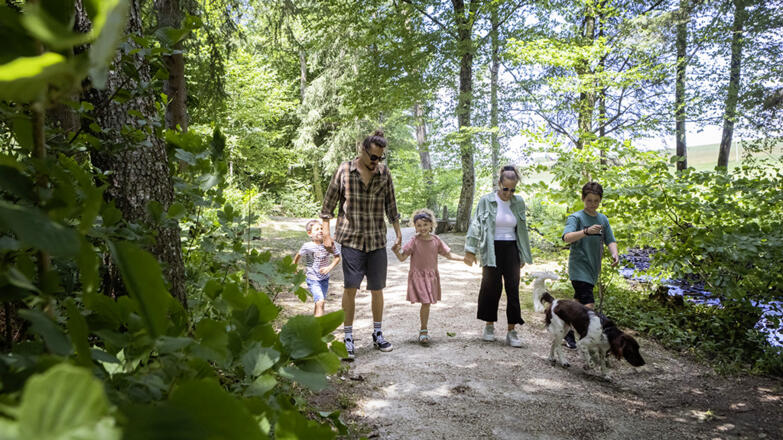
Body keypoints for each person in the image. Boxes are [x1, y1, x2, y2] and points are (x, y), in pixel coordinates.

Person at [320, 129, 402, 360]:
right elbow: (327, 208)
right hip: (352, 240)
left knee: (377, 289)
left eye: (381, 158)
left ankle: (377, 333)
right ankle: (348, 338)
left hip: (376, 240)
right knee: (350, 289)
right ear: (362, 151)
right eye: (373, 157)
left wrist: (398, 233)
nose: (377, 162)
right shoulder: (345, 170)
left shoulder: (385, 174)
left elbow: (392, 207)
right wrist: (326, 236)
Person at [464, 165, 533, 348]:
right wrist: (470, 250)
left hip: (511, 249)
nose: (508, 193)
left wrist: (523, 254)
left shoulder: (518, 202)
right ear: (499, 183)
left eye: (512, 189)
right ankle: (489, 326)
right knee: (490, 287)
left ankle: (512, 331)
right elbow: (476, 225)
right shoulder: (486, 201)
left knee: (513, 289)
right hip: (491, 248)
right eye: (505, 189)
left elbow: (522, 231)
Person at [561, 181, 620, 349]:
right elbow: (566, 237)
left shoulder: (602, 219)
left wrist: (614, 253)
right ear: (583, 199)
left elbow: (610, 240)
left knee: (577, 305)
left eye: (596, 201)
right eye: (589, 200)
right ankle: (588, 342)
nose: (592, 204)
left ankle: (567, 333)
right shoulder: (576, 217)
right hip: (578, 268)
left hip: (593, 269)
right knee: (588, 307)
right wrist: (586, 232)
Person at [391, 209, 464, 345]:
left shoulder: (436, 240)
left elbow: (448, 255)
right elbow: (402, 257)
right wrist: (396, 251)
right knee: (426, 302)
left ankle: (423, 330)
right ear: (415, 227)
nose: (422, 228)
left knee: (426, 303)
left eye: (425, 225)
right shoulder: (414, 241)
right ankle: (423, 331)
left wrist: (464, 259)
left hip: (431, 277)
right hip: (418, 277)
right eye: (419, 225)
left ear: (431, 225)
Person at [294, 219, 341, 317]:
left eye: (322, 229)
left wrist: (329, 267)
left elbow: (337, 257)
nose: (320, 230)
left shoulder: (329, 244)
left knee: (319, 302)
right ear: (309, 233)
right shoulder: (307, 246)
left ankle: (315, 323)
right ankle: (319, 328)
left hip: (324, 279)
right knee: (320, 301)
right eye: (317, 229)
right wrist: (294, 269)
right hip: (312, 279)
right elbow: (297, 258)